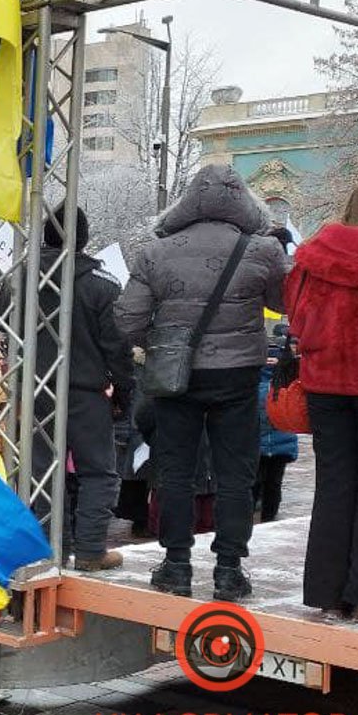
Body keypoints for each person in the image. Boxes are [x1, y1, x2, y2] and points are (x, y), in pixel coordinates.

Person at [116, 164, 289, 601]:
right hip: (238, 375)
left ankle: (176, 565)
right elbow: (282, 302)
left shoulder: (156, 252)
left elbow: (127, 320)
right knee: (236, 474)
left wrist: (153, 346)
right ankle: (229, 570)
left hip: (177, 378)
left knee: (174, 471)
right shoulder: (263, 250)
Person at [287, 180, 358, 619]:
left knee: (333, 485)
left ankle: (327, 591)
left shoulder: (315, 255)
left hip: (324, 384)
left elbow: (296, 316)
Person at [36, 204, 135, 572]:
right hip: (85, 391)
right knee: (98, 473)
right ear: (84, 240)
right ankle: (91, 549)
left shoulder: (19, 280)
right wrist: (125, 395)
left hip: (33, 391)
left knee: (41, 472)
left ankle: (49, 550)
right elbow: (118, 349)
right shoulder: (100, 286)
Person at [255, 328, 298, 522]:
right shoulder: (287, 384)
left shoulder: (254, 385)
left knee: (255, 483)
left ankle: (256, 519)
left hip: (259, 446)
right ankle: (268, 518)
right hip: (282, 445)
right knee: (273, 484)